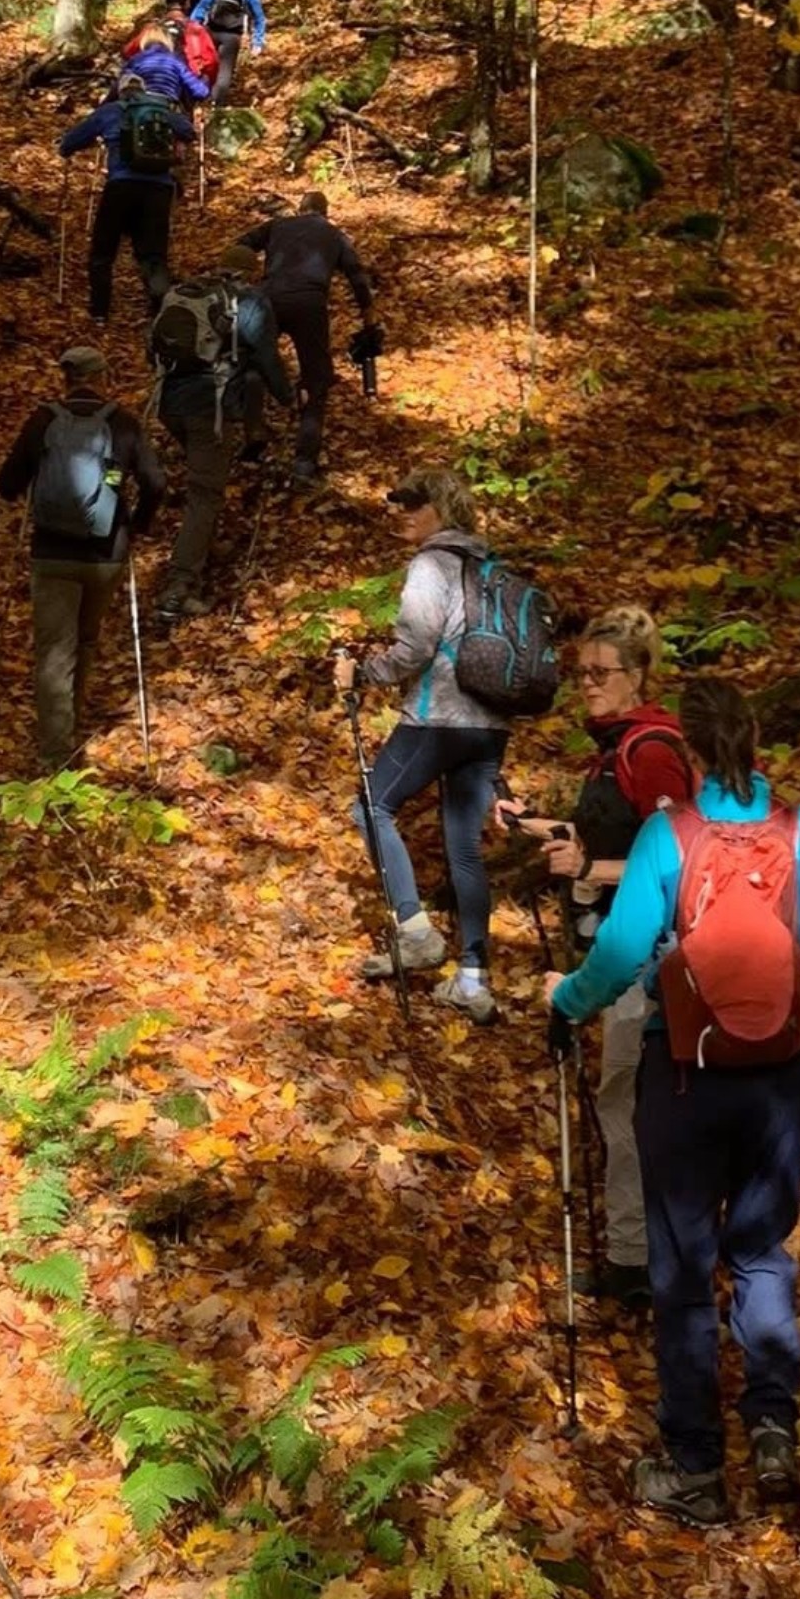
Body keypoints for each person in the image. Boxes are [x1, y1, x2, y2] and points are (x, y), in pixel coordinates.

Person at [545, 678, 800, 1527]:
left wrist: (566, 1001)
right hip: (784, 1073)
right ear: (758, 743)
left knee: (684, 1267)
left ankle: (695, 1466)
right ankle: (772, 1423)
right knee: (762, 1246)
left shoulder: (668, 835)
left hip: (686, 1074)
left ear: (688, 754)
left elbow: (619, 956)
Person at [498, 609, 699, 1307]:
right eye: (579, 673)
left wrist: (590, 865)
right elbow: (617, 837)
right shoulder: (619, 748)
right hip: (623, 951)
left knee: (624, 1103)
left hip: (644, 962)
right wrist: (535, 823)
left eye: (600, 673)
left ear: (638, 676)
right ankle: (636, 1255)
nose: (585, 684)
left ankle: (638, 1263)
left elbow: (680, 859)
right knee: (623, 1103)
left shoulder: (650, 751)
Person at [331, 464, 508, 1025]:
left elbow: (415, 647)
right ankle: (473, 977)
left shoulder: (432, 563)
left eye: (416, 503)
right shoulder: (492, 567)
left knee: (370, 805)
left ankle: (415, 932)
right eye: (400, 503)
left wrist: (364, 673)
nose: (403, 512)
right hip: (491, 722)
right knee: (464, 846)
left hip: (439, 717)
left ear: (445, 509)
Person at [0, 346, 164, 772]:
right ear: (102, 376)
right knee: (84, 641)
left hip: (51, 552)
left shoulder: (44, 420)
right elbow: (156, 483)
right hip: (105, 553)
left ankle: (56, 753)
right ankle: (71, 725)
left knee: (55, 650)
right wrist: (138, 523)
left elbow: (7, 482)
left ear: (66, 378)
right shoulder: (123, 424)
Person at [150, 253, 295, 624]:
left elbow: (152, 347)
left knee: (205, 479)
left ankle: (202, 546)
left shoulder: (186, 293)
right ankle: (179, 586)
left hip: (169, 404)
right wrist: (289, 397)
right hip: (209, 409)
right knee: (205, 492)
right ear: (251, 270)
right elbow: (266, 356)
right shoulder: (249, 301)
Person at [236, 190, 374, 486]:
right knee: (317, 379)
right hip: (309, 303)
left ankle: (253, 429)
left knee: (253, 360)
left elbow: (241, 244)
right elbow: (356, 274)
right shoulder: (333, 234)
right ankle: (304, 462)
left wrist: (243, 279)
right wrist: (368, 312)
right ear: (325, 212)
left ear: (300, 209)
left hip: (267, 298)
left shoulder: (277, 226)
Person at [60, 71, 195, 324]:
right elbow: (188, 131)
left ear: (120, 91)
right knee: (153, 252)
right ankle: (159, 306)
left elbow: (70, 142)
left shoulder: (110, 111)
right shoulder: (162, 109)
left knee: (103, 251)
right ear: (143, 91)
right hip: (159, 189)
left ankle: (100, 311)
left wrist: (69, 146)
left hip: (121, 186)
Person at [190, 0, 265, 106]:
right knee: (225, 71)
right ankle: (215, 104)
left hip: (211, 32)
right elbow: (259, 18)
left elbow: (201, 7)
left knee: (206, 65)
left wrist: (192, 28)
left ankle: (201, 98)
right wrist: (258, 42)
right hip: (232, 37)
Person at [126, 8, 218, 93]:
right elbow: (211, 61)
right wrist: (208, 82)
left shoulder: (153, 29)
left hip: (144, 86)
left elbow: (128, 51)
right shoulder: (196, 29)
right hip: (188, 80)